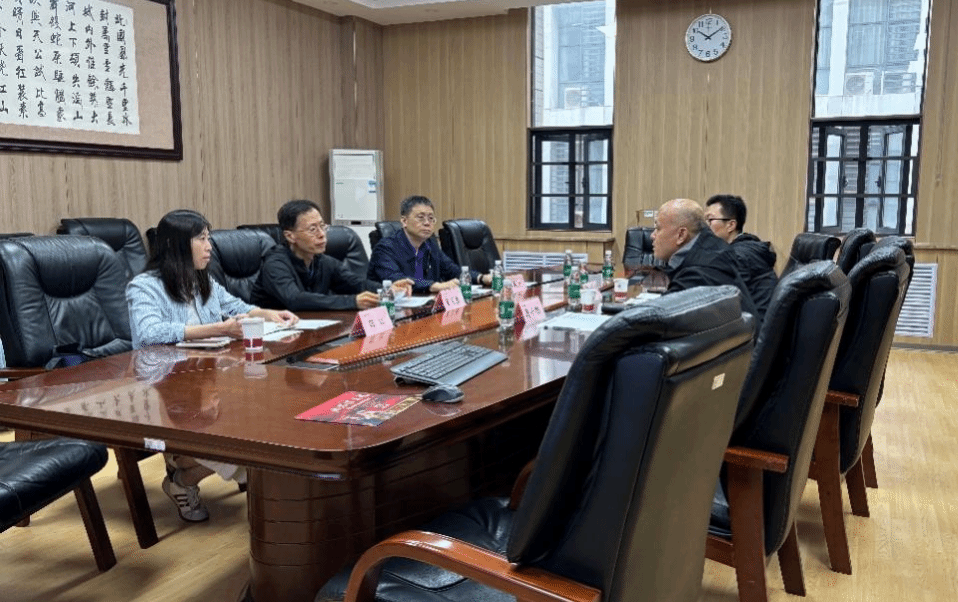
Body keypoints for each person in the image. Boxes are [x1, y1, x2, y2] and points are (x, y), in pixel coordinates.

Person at [126, 209, 298, 522]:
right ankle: (184, 470)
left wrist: (268, 313)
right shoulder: (144, 285)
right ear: (178, 245)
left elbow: (237, 307)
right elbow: (150, 333)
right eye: (202, 239)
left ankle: (183, 473)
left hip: (206, 377)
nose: (209, 247)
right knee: (246, 444)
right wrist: (219, 329)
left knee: (259, 427)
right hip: (165, 385)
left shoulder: (202, 280)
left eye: (209, 238)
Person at [251, 199, 411, 311]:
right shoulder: (275, 264)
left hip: (311, 328)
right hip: (272, 337)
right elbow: (295, 299)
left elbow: (356, 284)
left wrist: (389, 289)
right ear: (290, 236)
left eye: (322, 226)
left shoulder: (322, 261)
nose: (322, 234)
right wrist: (352, 301)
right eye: (312, 229)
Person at [651, 198, 759, 325]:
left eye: (658, 229)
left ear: (681, 235)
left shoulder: (699, 272)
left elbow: (657, 319)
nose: (652, 235)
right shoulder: (712, 248)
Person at [368, 195, 492, 294]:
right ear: (404, 221)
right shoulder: (385, 248)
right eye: (421, 218)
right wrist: (434, 286)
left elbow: (452, 270)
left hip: (425, 304)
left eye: (431, 218)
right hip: (392, 308)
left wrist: (481, 278)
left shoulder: (430, 244)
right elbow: (397, 279)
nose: (427, 223)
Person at [705, 194, 778, 326]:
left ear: (731, 225)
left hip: (753, 332)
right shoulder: (746, 248)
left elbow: (720, 298)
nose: (705, 227)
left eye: (710, 220)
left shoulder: (740, 256)